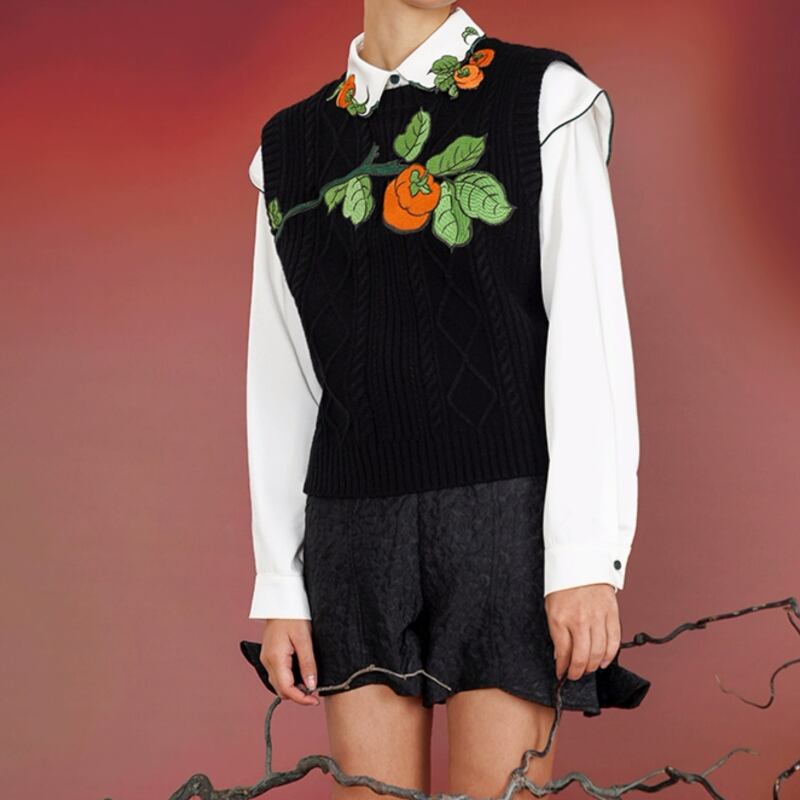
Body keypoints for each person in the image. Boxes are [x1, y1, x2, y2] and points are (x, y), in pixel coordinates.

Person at [240, 1, 651, 796]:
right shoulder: (289, 149)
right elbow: (282, 378)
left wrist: (585, 557)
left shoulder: (543, 98)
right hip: (351, 532)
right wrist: (281, 583)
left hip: (505, 524)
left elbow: (588, 333)